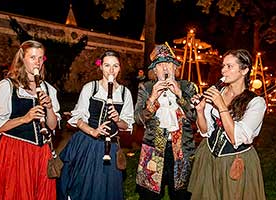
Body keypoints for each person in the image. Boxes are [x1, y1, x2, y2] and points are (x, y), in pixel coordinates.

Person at [0, 40, 61, 200]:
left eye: (40, 58)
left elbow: (53, 125)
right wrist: (25, 118)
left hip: (42, 153)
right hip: (16, 152)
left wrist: (49, 107)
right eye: (32, 57)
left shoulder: (48, 88)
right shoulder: (8, 86)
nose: (37, 62)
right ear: (22, 59)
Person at [188, 49, 266, 200]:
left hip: (235, 159)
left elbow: (235, 137)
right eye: (223, 66)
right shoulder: (217, 92)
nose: (224, 70)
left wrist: (221, 105)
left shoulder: (256, 102)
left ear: (244, 70)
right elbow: (205, 131)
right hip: (208, 156)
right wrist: (200, 110)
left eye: (229, 66)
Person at [57, 50, 135, 200]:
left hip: (110, 147)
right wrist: (93, 131)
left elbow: (127, 125)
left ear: (120, 68)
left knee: (106, 190)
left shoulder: (125, 93)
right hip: (87, 144)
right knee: (83, 187)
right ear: (100, 67)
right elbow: (78, 118)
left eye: (115, 66)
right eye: (107, 65)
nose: (111, 70)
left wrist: (118, 120)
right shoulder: (90, 88)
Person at [135, 44, 197, 200]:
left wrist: (179, 94)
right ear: (154, 70)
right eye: (160, 65)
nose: (164, 68)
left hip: (182, 149)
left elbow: (194, 116)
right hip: (154, 148)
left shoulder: (188, 86)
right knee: (150, 195)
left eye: (169, 63)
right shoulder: (146, 87)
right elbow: (138, 119)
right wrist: (153, 97)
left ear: (175, 67)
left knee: (181, 194)